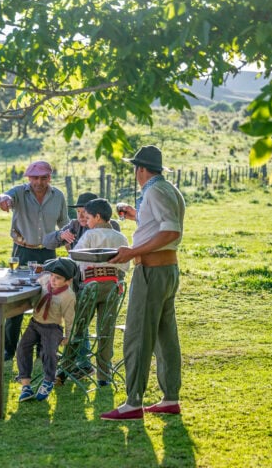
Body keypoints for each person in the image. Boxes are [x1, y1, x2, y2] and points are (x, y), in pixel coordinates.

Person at [100, 145, 186, 421]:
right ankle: (170, 397)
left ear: (141, 169)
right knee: (165, 335)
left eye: (135, 169)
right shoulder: (169, 189)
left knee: (137, 334)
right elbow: (161, 224)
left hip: (151, 270)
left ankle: (133, 402)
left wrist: (132, 252)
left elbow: (171, 230)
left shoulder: (154, 191)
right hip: (168, 268)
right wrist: (135, 215)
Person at [0, 160, 69, 361]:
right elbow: (4, 196)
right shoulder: (19, 192)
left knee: (46, 300)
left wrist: (72, 247)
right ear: (28, 178)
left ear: (49, 178)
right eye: (35, 178)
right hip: (22, 252)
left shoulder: (58, 196)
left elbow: (65, 224)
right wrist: (2, 200)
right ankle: (9, 350)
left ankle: (41, 349)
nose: (39, 182)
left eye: (43, 178)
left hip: (47, 253)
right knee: (16, 299)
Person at [60, 198, 129, 386]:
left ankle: (64, 369)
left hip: (91, 286)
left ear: (97, 217)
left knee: (78, 327)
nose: (86, 221)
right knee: (105, 330)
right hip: (113, 286)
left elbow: (76, 260)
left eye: (88, 217)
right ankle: (104, 376)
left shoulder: (90, 235)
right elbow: (125, 266)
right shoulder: (121, 238)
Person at [16, 258, 78, 402]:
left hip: (52, 327)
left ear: (68, 281)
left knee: (48, 353)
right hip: (35, 323)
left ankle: (49, 380)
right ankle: (26, 385)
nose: (53, 280)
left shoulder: (68, 296)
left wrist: (68, 336)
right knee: (22, 347)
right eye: (52, 276)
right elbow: (36, 278)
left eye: (58, 278)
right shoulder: (45, 281)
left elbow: (70, 318)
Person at [43, 192, 121, 251]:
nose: (80, 216)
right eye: (78, 211)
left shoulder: (111, 225)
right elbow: (46, 242)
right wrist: (61, 235)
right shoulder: (75, 225)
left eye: (84, 212)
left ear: (96, 213)